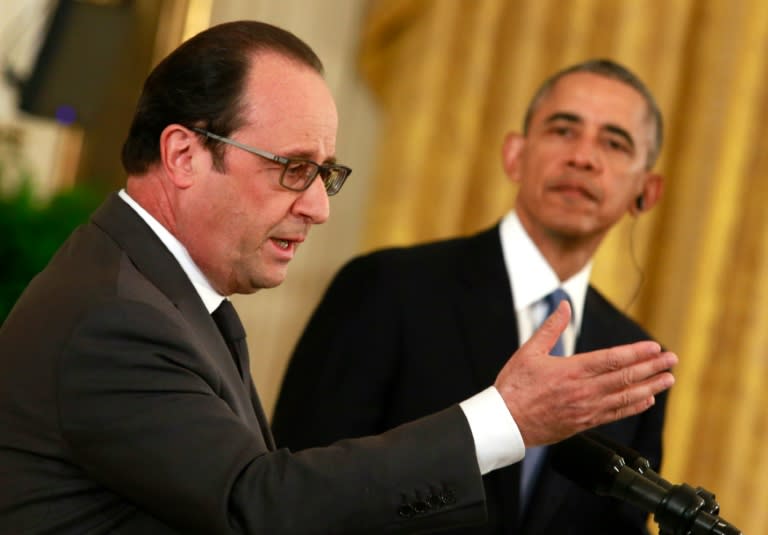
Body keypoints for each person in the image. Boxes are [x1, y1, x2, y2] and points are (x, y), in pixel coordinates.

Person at [0, 21, 676, 534]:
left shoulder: (171, 297)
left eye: (326, 174)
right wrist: (505, 418)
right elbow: (259, 501)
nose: (319, 207)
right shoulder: (116, 317)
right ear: (183, 153)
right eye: (293, 168)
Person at [273, 59, 668, 534]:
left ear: (647, 191)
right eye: (563, 131)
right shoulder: (388, 287)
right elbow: (298, 486)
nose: (583, 157)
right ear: (514, 156)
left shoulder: (632, 361)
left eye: (614, 142)